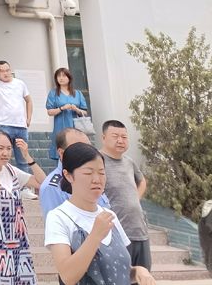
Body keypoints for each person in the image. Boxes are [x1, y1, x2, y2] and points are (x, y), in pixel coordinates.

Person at [44, 142, 156, 285]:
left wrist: (139, 271)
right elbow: (67, 276)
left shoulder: (109, 215)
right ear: (68, 175)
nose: (97, 179)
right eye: (88, 173)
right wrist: (95, 235)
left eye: (102, 173)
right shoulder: (59, 217)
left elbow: (117, 271)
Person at [0, 128, 46, 284]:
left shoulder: (11, 170)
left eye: (9, 148)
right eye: (0, 148)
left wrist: (27, 156)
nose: (5, 153)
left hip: (17, 239)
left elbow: (43, 183)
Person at [100, 120, 151, 270]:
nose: (120, 140)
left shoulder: (129, 162)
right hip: (116, 234)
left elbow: (142, 181)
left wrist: (136, 198)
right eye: (115, 136)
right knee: (121, 277)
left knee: (143, 275)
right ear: (103, 138)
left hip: (139, 231)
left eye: (124, 137)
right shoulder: (97, 161)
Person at [40, 127, 110, 221]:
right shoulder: (52, 187)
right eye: (78, 149)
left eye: (88, 147)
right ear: (61, 153)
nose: (87, 153)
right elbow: (57, 224)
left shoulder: (96, 177)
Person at [0, 61, 34, 181]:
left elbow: (29, 100)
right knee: (2, 158)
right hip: (4, 126)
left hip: (21, 126)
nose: (6, 73)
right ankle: (4, 184)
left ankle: (24, 187)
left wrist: (28, 118)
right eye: (2, 71)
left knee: (22, 159)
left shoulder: (20, 83)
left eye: (7, 70)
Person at [45, 67, 88, 163]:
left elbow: (85, 112)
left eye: (64, 76)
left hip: (75, 128)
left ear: (69, 78)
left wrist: (76, 109)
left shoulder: (78, 93)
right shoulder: (53, 93)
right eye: (58, 76)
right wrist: (62, 108)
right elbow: (49, 112)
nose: (61, 78)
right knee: (61, 155)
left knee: (76, 155)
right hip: (60, 128)